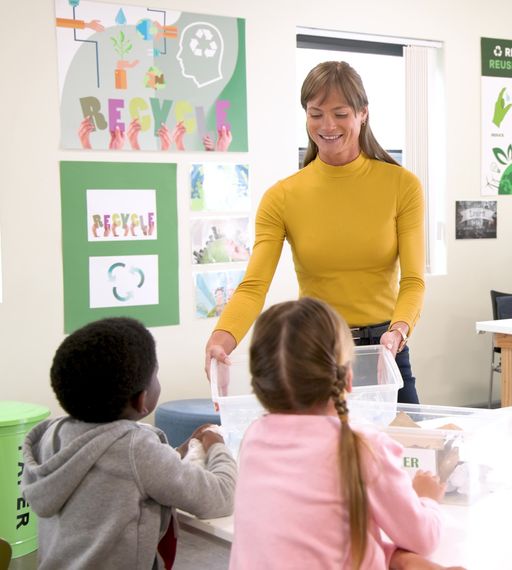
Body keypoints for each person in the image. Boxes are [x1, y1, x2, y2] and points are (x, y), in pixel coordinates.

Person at [205, 60, 425, 403]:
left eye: (340, 113)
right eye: (316, 113)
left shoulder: (401, 185)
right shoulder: (282, 196)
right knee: (319, 454)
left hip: (384, 349)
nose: (327, 125)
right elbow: (253, 286)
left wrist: (398, 332)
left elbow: (413, 280)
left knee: (407, 452)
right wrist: (222, 338)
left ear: (362, 113)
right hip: (315, 349)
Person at [229, 298, 447, 569]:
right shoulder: (363, 445)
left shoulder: (253, 438)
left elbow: (320, 540)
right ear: (348, 378)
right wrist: (427, 498)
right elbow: (423, 538)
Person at [21, 317, 236, 570]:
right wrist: (216, 445)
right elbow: (220, 497)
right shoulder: (136, 449)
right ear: (141, 399)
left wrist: (184, 447)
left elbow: (128, 473)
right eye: (155, 374)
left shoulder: (52, 435)